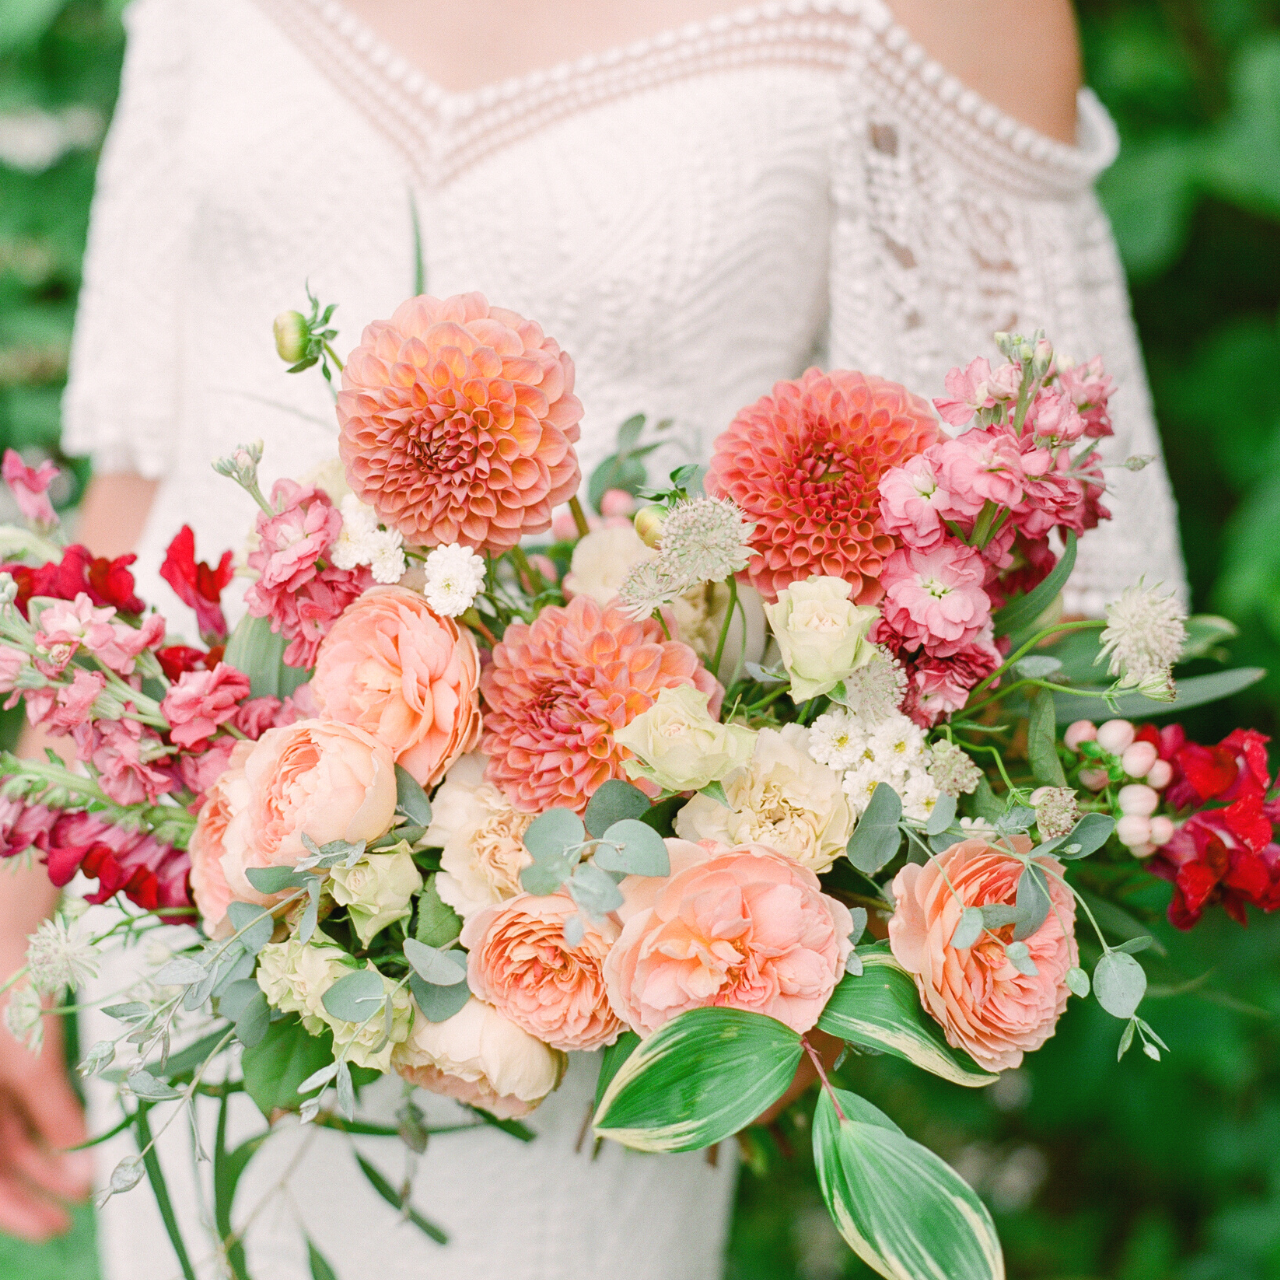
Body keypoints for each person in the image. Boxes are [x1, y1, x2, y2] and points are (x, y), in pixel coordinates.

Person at [0, 0, 1186, 1276]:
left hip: (594, 967)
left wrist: (775, 984)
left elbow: (1011, 562)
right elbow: (144, 461)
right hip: (191, 907)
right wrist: (20, 888)